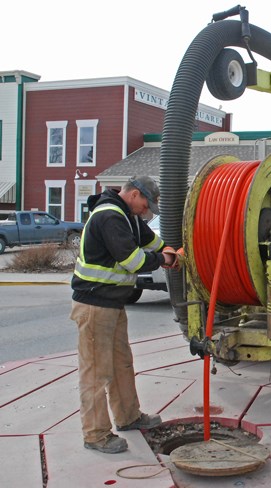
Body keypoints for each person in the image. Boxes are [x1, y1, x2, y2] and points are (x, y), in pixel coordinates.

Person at [70, 176, 180, 454]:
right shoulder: (110, 216)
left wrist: (173, 249)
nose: (146, 210)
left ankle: (128, 416)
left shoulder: (129, 216)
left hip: (113, 304)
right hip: (94, 304)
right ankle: (95, 435)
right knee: (96, 371)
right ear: (133, 193)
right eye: (145, 204)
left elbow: (154, 241)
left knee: (121, 364)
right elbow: (133, 261)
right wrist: (166, 259)